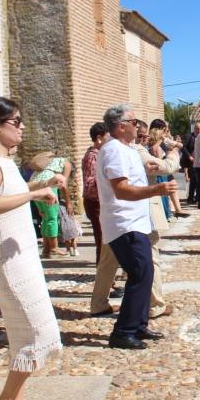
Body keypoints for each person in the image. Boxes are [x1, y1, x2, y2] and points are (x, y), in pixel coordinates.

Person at [0, 97, 64, 400]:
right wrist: (32, 195)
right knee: (39, 329)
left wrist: (42, 185)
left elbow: (12, 192)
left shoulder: (7, 163)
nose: (22, 127)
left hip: (24, 255)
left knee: (25, 331)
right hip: (8, 261)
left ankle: (18, 398)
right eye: (16, 121)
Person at [97, 103, 177, 350]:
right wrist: (157, 189)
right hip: (124, 223)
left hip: (136, 222)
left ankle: (139, 325)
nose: (138, 125)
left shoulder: (127, 149)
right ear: (121, 127)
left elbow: (130, 177)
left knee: (146, 273)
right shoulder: (113, 150)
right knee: (140, 273)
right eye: (133, 122)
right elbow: (120, 189)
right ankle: (123, 331)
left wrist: (147, 170)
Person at [134, 119, 182, 319]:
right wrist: (173, 152)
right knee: (152, 256)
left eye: (146, 136)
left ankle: (99, 301)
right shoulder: (136, 150)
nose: (144, 139)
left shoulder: (117, 148)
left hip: (123, 210)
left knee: (109, 260)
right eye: (142, 136)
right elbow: (164, 167)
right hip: (139, 207)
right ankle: (155, 305)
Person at [30, 151, 72, 258]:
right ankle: (54, 248)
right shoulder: (66, 163)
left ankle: (46, 249)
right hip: (48, 185)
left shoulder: (49, 164)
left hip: (34, 185)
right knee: (52, 218)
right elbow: (64, 183)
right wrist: (68, 203)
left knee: (45, 217)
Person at [82, 122, 108, 264]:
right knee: (102, 241)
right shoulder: (93, 156)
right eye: (107, 138)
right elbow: (90, 183)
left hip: (100, 202)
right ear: (99, 138)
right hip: (95, 202)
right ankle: (103, 277)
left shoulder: (100, 155)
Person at [183, 122, 199, 204]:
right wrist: (189, 156)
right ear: (195, 129)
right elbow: (183, 147)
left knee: (198, 180)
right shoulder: (189, 136)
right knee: (193, 180)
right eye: (198, 129)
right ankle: (191, 197)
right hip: (191, 161)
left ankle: (197, 197)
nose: (199, 131)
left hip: (199, 161)